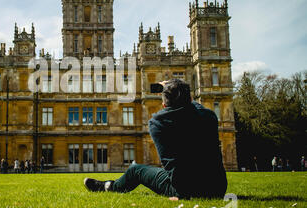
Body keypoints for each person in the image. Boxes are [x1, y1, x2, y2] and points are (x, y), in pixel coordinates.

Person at [84, 79, 228, 199]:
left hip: (186, 191)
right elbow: (195, 107)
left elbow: (171, 166)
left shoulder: (158, 123)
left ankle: (109, 187)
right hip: (217, 189)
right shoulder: (209, 116)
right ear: (189, 98)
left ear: (164, 105)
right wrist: (177, 91)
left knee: (136, 170)